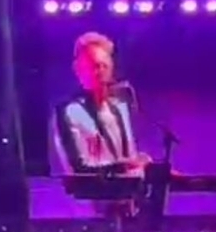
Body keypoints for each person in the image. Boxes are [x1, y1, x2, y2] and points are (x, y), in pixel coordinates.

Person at [54, 31, 149, 175]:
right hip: (92, 189)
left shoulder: (120, 109)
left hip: (125, 188)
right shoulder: (70, 112)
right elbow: (78, 169)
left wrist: (141, 164)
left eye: (105, 66)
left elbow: (128, 157)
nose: (99, 72)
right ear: (78, 70)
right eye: (94, 66)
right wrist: (123, 167)